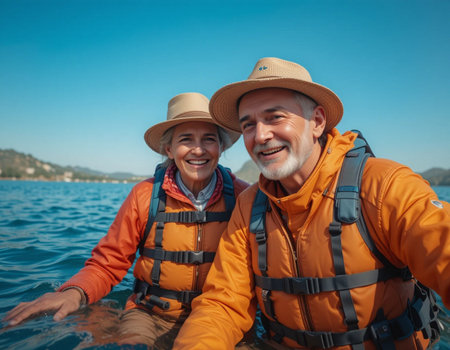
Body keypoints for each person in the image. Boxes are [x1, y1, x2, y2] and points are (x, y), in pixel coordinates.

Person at [173, 58, 450, 350]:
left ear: (317, 122)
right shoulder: (248, 205)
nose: (261, 135)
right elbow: (223, 305)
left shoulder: (384, 184)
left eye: (275, 117)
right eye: (248, 125)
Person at [3, 92, 249, 348]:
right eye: (186, 140)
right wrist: (74, 292)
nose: (198, 149)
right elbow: (108, 263)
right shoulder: (145, 195)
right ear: (169, 148)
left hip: (221, 319)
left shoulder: (244, 196)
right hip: (149, 315)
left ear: (221, 147)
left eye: (208, 140)